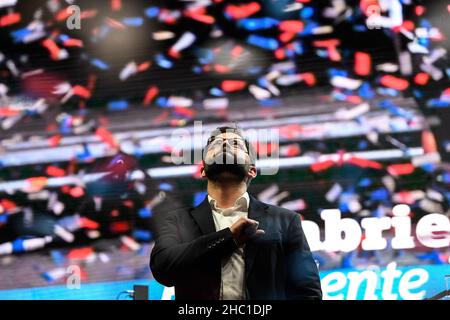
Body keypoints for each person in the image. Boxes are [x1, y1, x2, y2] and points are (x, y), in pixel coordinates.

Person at [150, 125, 322, 300]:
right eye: (216, 145)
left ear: (252, 170)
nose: (224, 146)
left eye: (236, 145)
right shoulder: (178, 220)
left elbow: (308, 292)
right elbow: (163, 270)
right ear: (202, 170)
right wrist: (227, 238)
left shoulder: (285, 220)